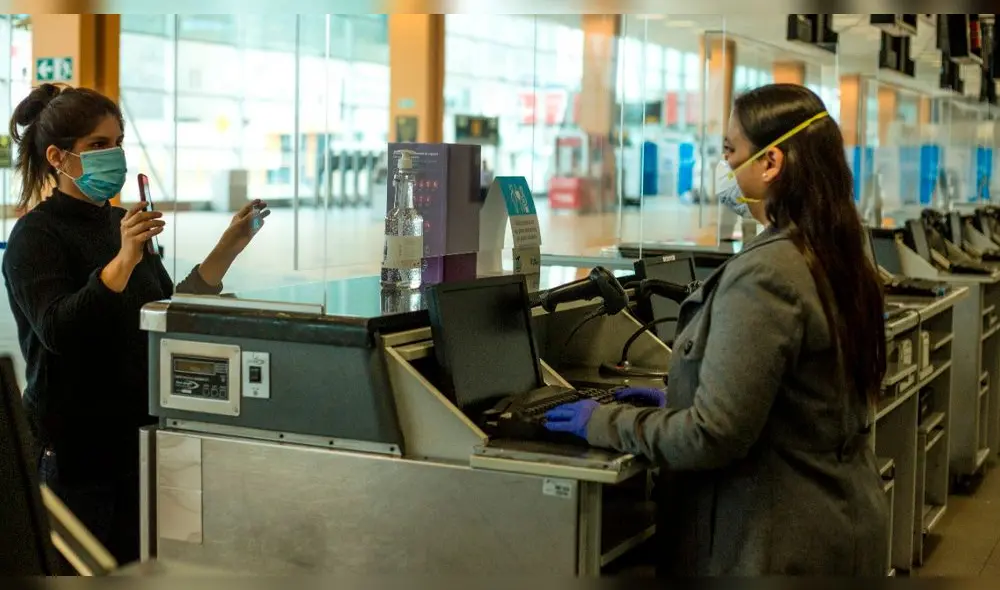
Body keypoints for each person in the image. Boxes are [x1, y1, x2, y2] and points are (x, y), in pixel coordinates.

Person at [545, 84, 889, 576]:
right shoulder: (836, 250)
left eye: (730, 151)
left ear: (771, 163)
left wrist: (603, 423)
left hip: (777, 541)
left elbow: (712, 437)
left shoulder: (769, 273)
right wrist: (681, 398)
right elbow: (803, 401)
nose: (724, 166)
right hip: (836, 517)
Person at [1, 83, 270, 567]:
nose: (114, 155)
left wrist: (229, 245)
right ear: (59, 158)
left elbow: (166, 311)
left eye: (118, 142)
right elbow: (59, 330)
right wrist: (123, 260)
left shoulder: (121, 223)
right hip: (77, 454)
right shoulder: (34, 237)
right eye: (98, 145)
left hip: (142, 440)